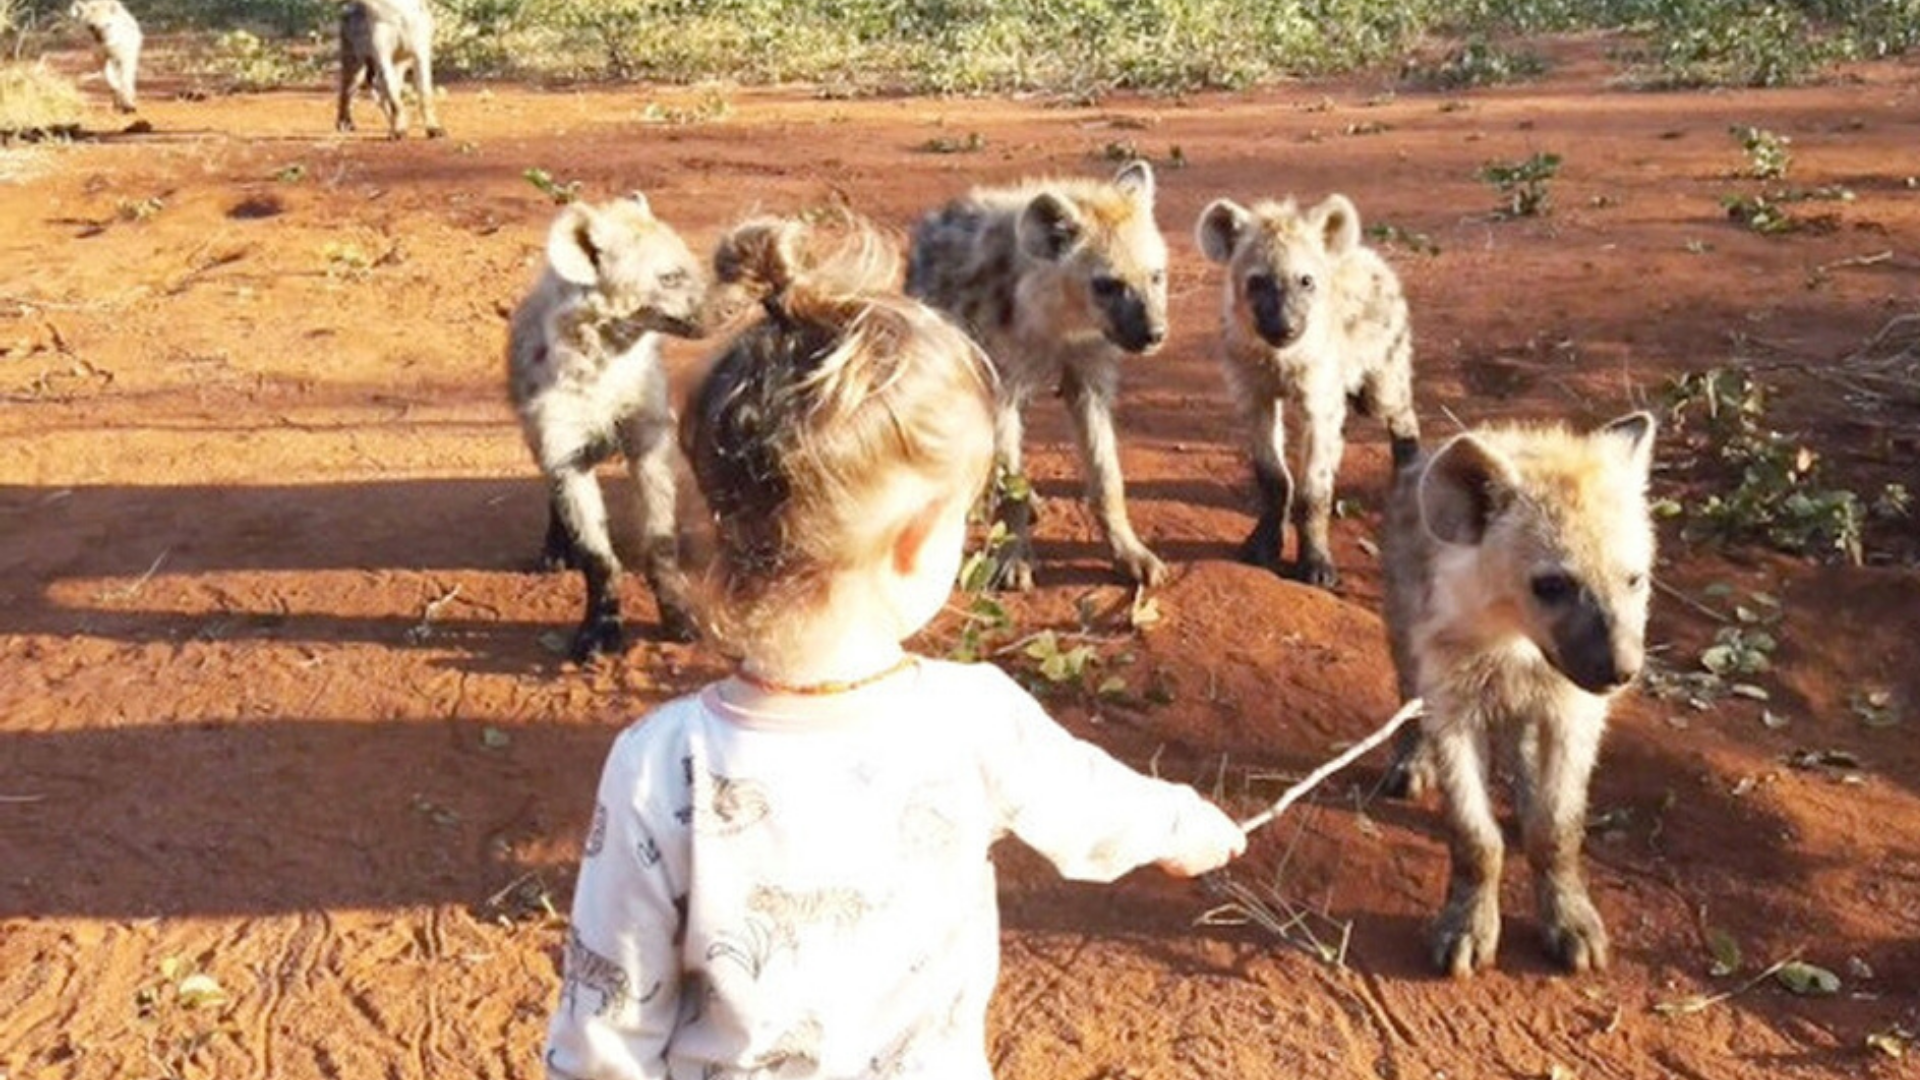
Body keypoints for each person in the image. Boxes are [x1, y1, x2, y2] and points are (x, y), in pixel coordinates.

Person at [543, 214, 1246, 1080]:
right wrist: (1185, 824)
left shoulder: (658, 765)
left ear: (719, 528)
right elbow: (1094, 810)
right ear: (916, 543)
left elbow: (604, 1038)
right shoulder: (971, 718)